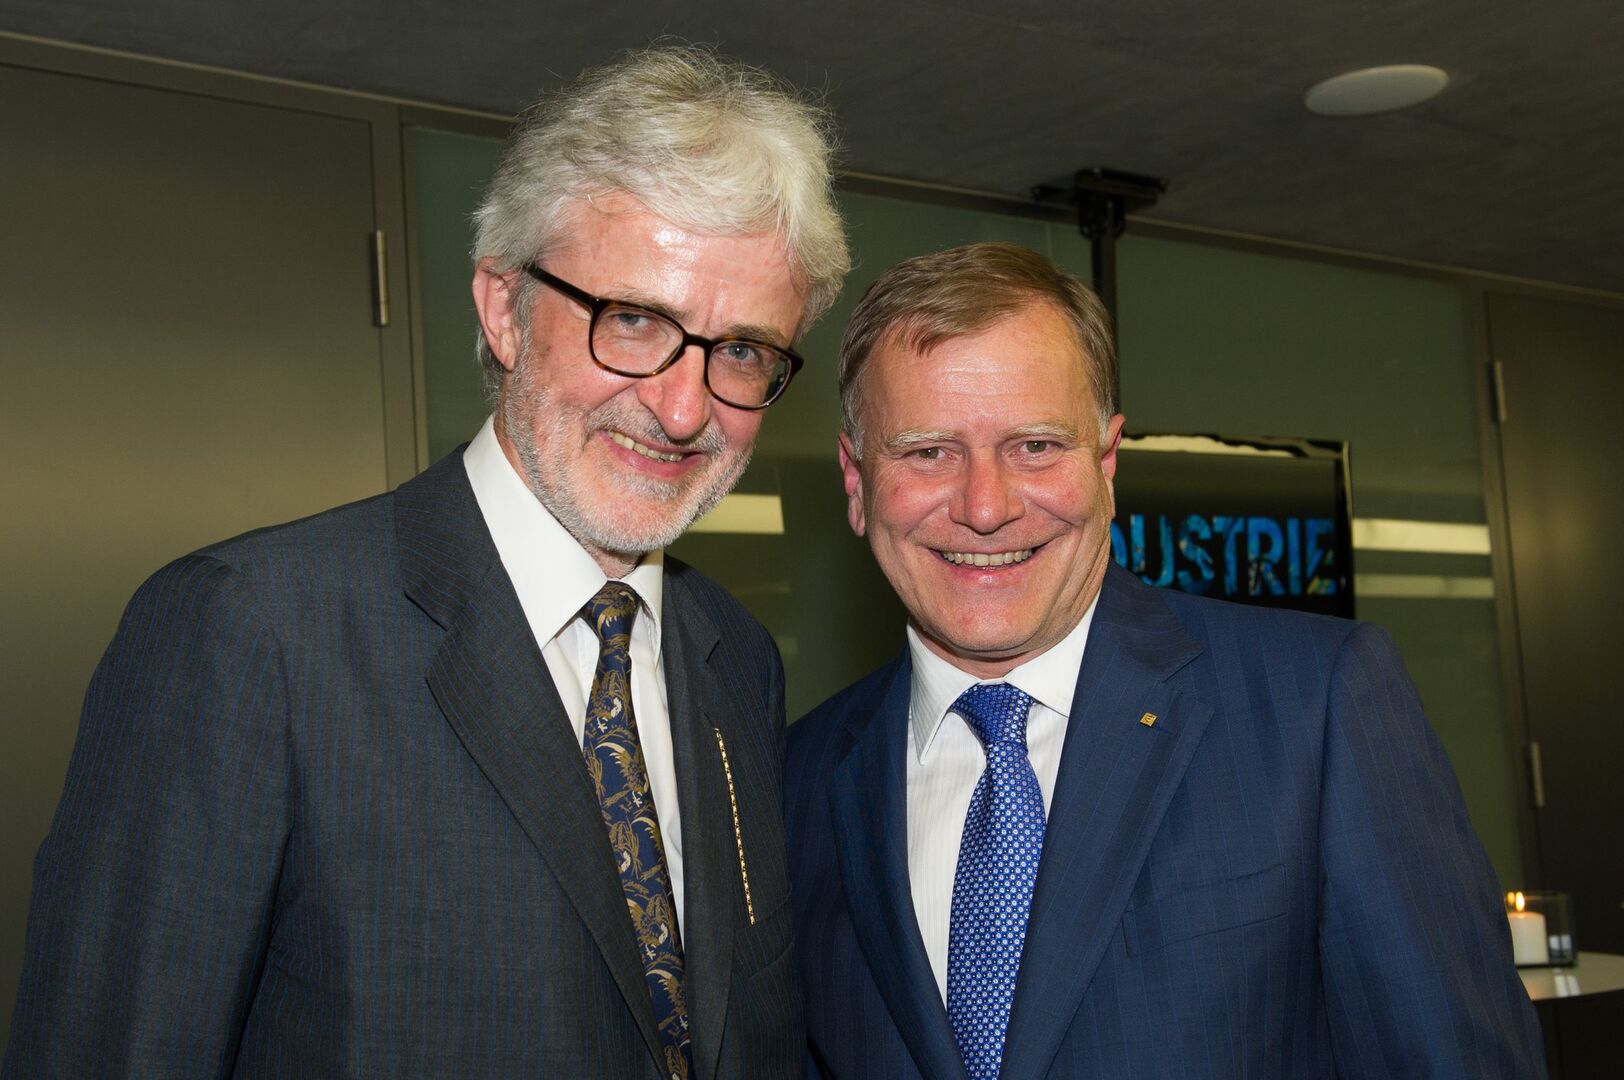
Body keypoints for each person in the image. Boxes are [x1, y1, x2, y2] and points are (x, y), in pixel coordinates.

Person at [5, 46, 847, 1079]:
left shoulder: (736, 662)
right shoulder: (254, 633)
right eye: (633, 321)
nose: (681, 409)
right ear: (502, 309)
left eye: (742, 351)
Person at [783, 242, 1543, 1078]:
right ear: (856, 480)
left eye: (1036, 446)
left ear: (1107, 464)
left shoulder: (1316, 706)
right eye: (928, 451)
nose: (986, 506)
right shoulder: (795, 778)